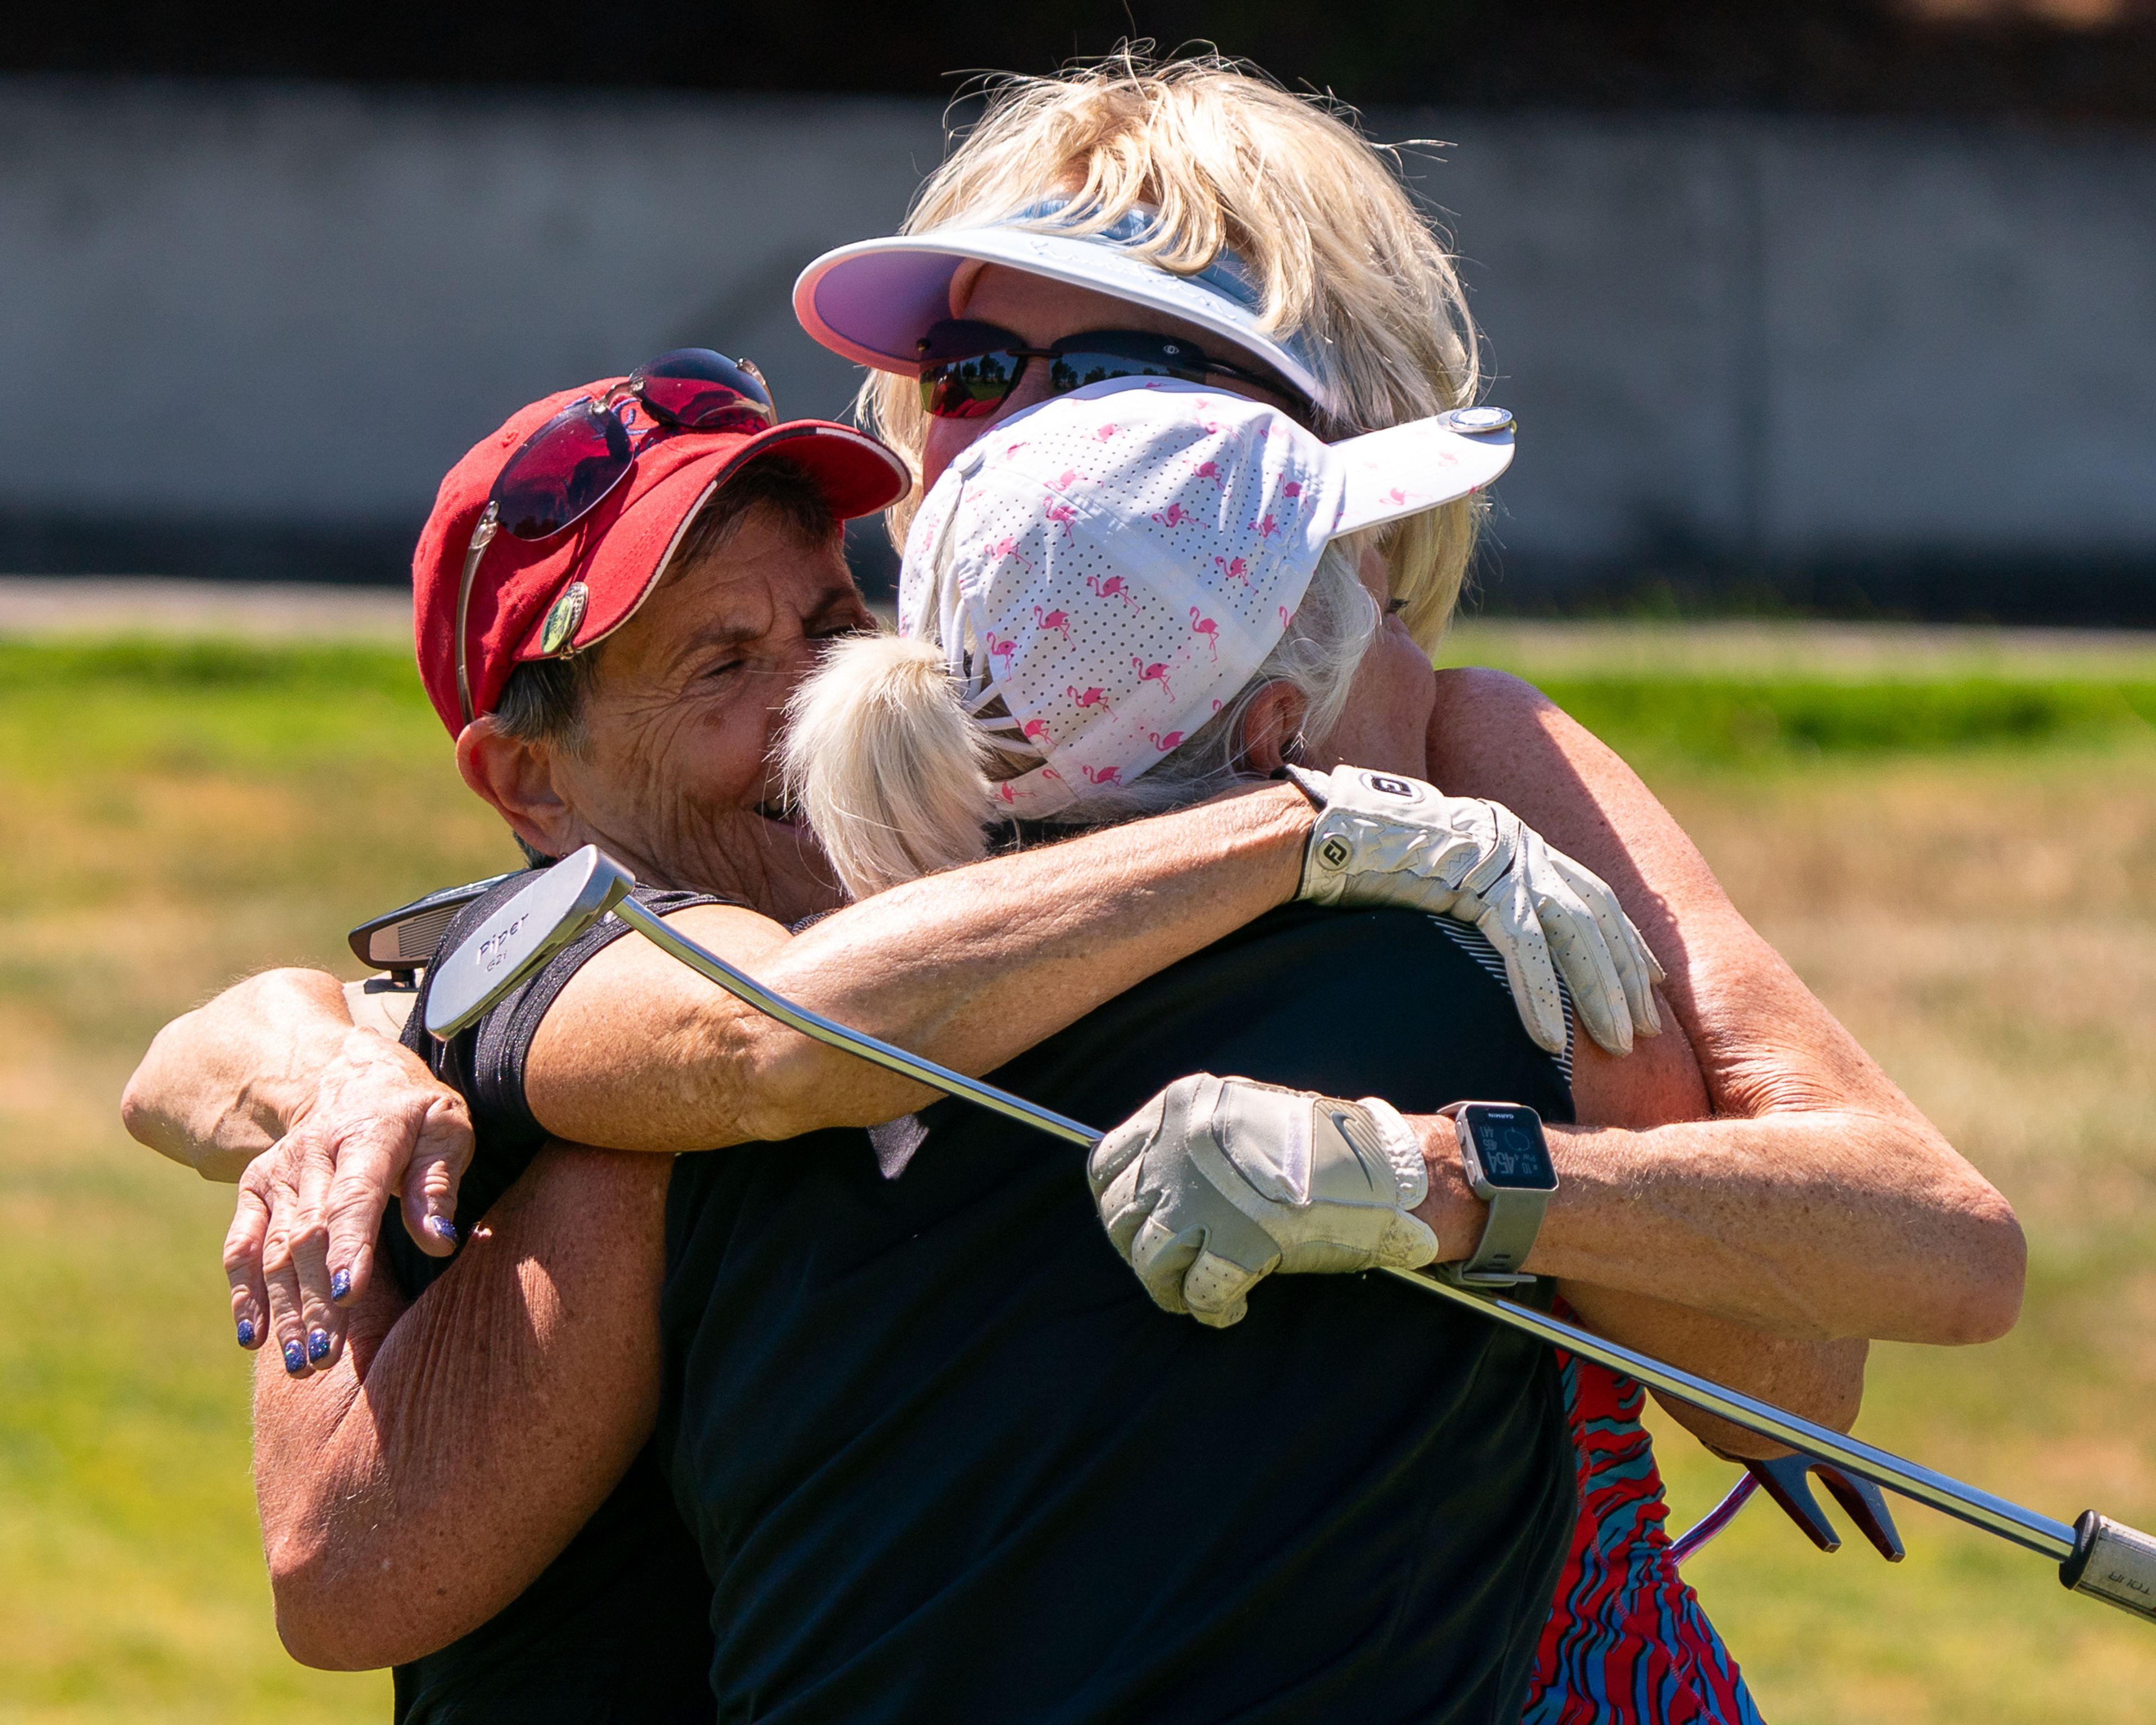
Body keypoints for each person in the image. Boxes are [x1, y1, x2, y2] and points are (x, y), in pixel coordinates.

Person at [124, 366, 1680, 1721]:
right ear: (530, 785)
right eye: (722, 666)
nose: (815, 696)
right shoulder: (592, 986)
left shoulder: (979, 939)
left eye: (834, 616)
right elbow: (776, 1047)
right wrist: (1328, 830)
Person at [784, 53, 2026, 1720]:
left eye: (1127, 365)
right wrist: (311, 1044)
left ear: (1337, 446)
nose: (1015, 420)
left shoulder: (1468, 749)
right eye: (970, 364)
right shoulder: (836, 761)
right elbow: (551, 1003)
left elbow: (1840, 1328)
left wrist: (1434, 1175)